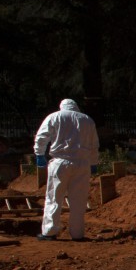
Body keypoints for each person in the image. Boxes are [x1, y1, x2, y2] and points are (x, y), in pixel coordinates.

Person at [34, 98, 99, 242]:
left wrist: (39, 154)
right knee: (79, 200)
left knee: (54, 197)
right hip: (82, 164)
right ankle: (77, 234)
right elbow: (94, 144)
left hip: (60, 163)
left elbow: (41, 137)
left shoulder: (55, 116)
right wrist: (93, 162)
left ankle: (49, 232)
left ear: (62, 106)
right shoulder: (87, 120)